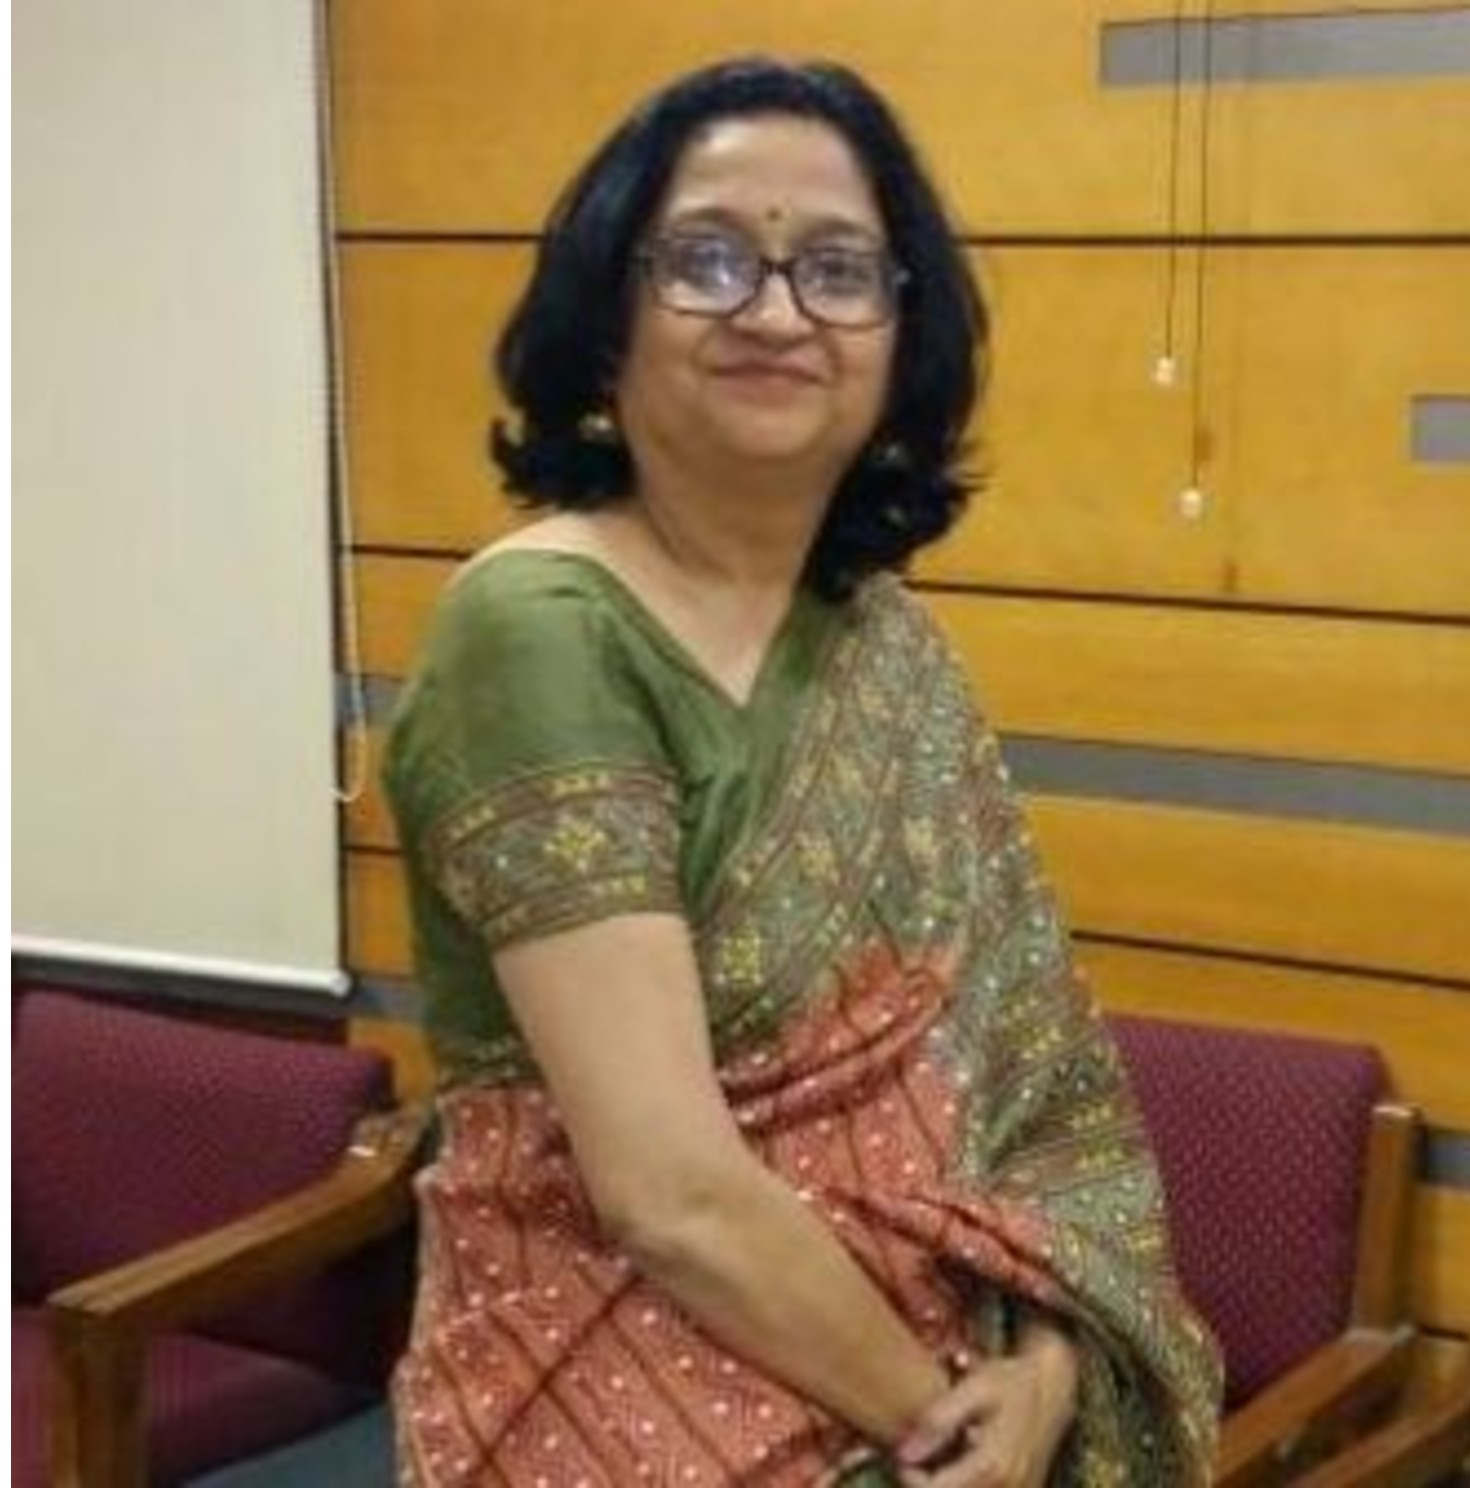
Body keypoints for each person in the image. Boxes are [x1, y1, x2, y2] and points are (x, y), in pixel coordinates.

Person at [382, 56, 1221, 1487]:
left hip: (942, 1384)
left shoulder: (891, 648)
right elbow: (670, 1197)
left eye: (836, 269)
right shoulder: (540, 634)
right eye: (708, 259)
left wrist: (1045, 1374)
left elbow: (1032, 1093)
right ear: (607, 317)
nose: (776, 312)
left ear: (901, 339)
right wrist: (951, 1427)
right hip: (603, 1392)